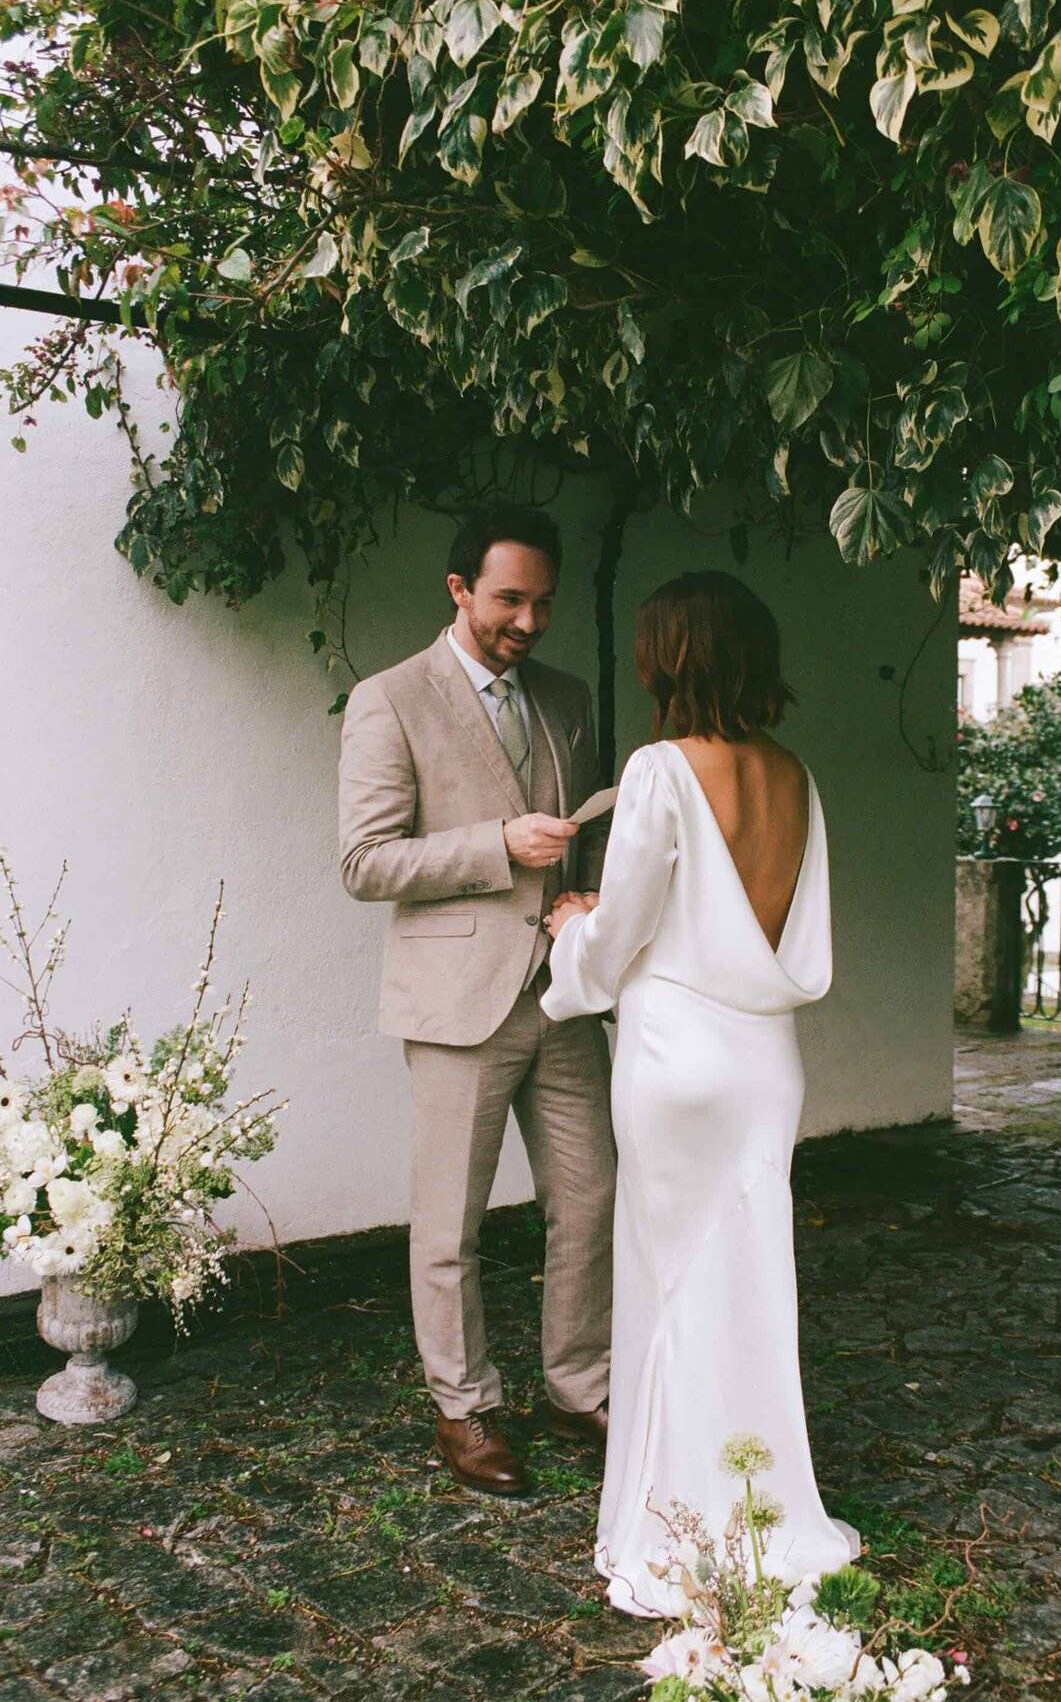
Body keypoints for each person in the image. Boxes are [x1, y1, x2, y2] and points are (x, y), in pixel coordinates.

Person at [542, 569, 860, 1616]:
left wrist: (569, 934)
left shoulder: (660, 770)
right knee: (751, 1279)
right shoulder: (796, 776)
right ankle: (761, 1505)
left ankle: (673, 1517)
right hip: (766, 1059)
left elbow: (624, 928)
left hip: (678, 1059)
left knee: (666, 1282)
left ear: (670, 658)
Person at [338, 505, 614, 1497]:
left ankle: (580, 1383)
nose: (529, 621)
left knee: (590, 1196)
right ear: (459, 590)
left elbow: (574, 845)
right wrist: (497, 844)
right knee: (449, 1221)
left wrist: (585, 895)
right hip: (457, 1000)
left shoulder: (570, 698)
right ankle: (463, 1405)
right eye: (509, 599)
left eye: (543, 602)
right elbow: (365, 862)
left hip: (561, 995)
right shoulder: (389, 698)